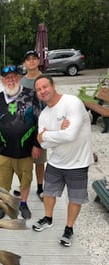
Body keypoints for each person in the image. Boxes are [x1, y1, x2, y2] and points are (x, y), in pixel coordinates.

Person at [33, 74, 93, 247]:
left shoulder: (72, 103)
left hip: (78, 162)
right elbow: (43, 144)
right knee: (48, 193)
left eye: (45, 87)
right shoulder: (44, 114)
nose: (42, 91)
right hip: (56, 161)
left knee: (75, 198)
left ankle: (69, 228)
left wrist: (47, 134)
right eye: (38, 89)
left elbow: (70, 134)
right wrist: (57, 133)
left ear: (53, 86)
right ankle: (48, 218)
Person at [0, 65, 42, 219]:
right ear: (2, 81)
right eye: (7, 77)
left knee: (25, 179)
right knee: (1, 181)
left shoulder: (32, 95)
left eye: (13, 76)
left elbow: (40, 121)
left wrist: (37, 145)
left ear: (19, 78)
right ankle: (4, 204)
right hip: (3, 150)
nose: (10, 80)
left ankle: (23, 204)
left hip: (25, 151)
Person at [14, 50, 47, 201]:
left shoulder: (46, 79)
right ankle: (24, 187)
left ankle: (41, 188)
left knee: (39, 161)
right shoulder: (21, 81)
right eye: (28, 59)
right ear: (24, 63)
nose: (31, 61)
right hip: (25, 126)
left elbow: (52, 101)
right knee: (23, 161)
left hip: (42, 125)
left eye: (34, 58)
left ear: (38, 61)